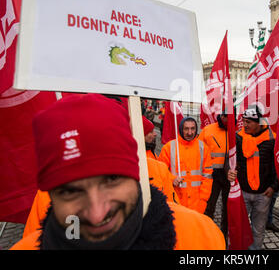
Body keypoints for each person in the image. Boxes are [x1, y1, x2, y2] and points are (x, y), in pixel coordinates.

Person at [11, 94, 225, 250]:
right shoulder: (201, 234)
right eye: (71, 191)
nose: (96, 213)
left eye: (111, 179)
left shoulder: (202, 237)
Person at [227, 105, 279, 250]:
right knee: (238, 225)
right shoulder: (238, 137)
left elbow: (277, 165)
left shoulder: (272, 139)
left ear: (258, 122)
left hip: (263, 193)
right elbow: (230, 160)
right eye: (244, 121)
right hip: (242, 191)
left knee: (258, 228)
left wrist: (273, 187)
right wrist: (229, 171)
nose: (245, 125)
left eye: (248, 122)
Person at [158, 117, 213, 214]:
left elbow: (207, 175)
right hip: (175, 200)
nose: (190, 132)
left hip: (197, 203)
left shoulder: (203, 148)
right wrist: (172, 178)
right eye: (186, 129)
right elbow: (160, 171)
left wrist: (203, 200)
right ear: (180, 129)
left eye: (192, 128)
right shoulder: (169, 147)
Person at [198, 114, 231, 238]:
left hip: (229, 176)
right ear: (221, 116)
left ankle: (224, 235)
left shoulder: (237, 130)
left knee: (227, 209)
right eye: (226, 116)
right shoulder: (208, 130)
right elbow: (199, 150)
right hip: (213, 175)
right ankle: (207, 234)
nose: (228, 120)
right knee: (209, 206)